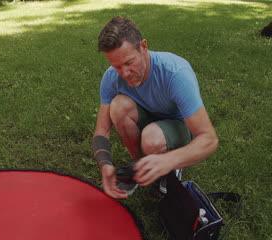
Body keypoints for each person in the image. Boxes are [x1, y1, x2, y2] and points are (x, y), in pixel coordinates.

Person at [92, 16, 219, 199]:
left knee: (152, 137)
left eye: (129, 63)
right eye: (117, 66)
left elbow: (209, 139)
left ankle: (172, 165)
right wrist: (105, 165)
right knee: (118, 106)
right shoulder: (111, 78)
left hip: (179, 125)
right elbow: (101, 132)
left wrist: (168, 160)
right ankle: (137, 164)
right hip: (150, 120)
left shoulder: (176, 74)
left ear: (143, 47)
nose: (124, 73)